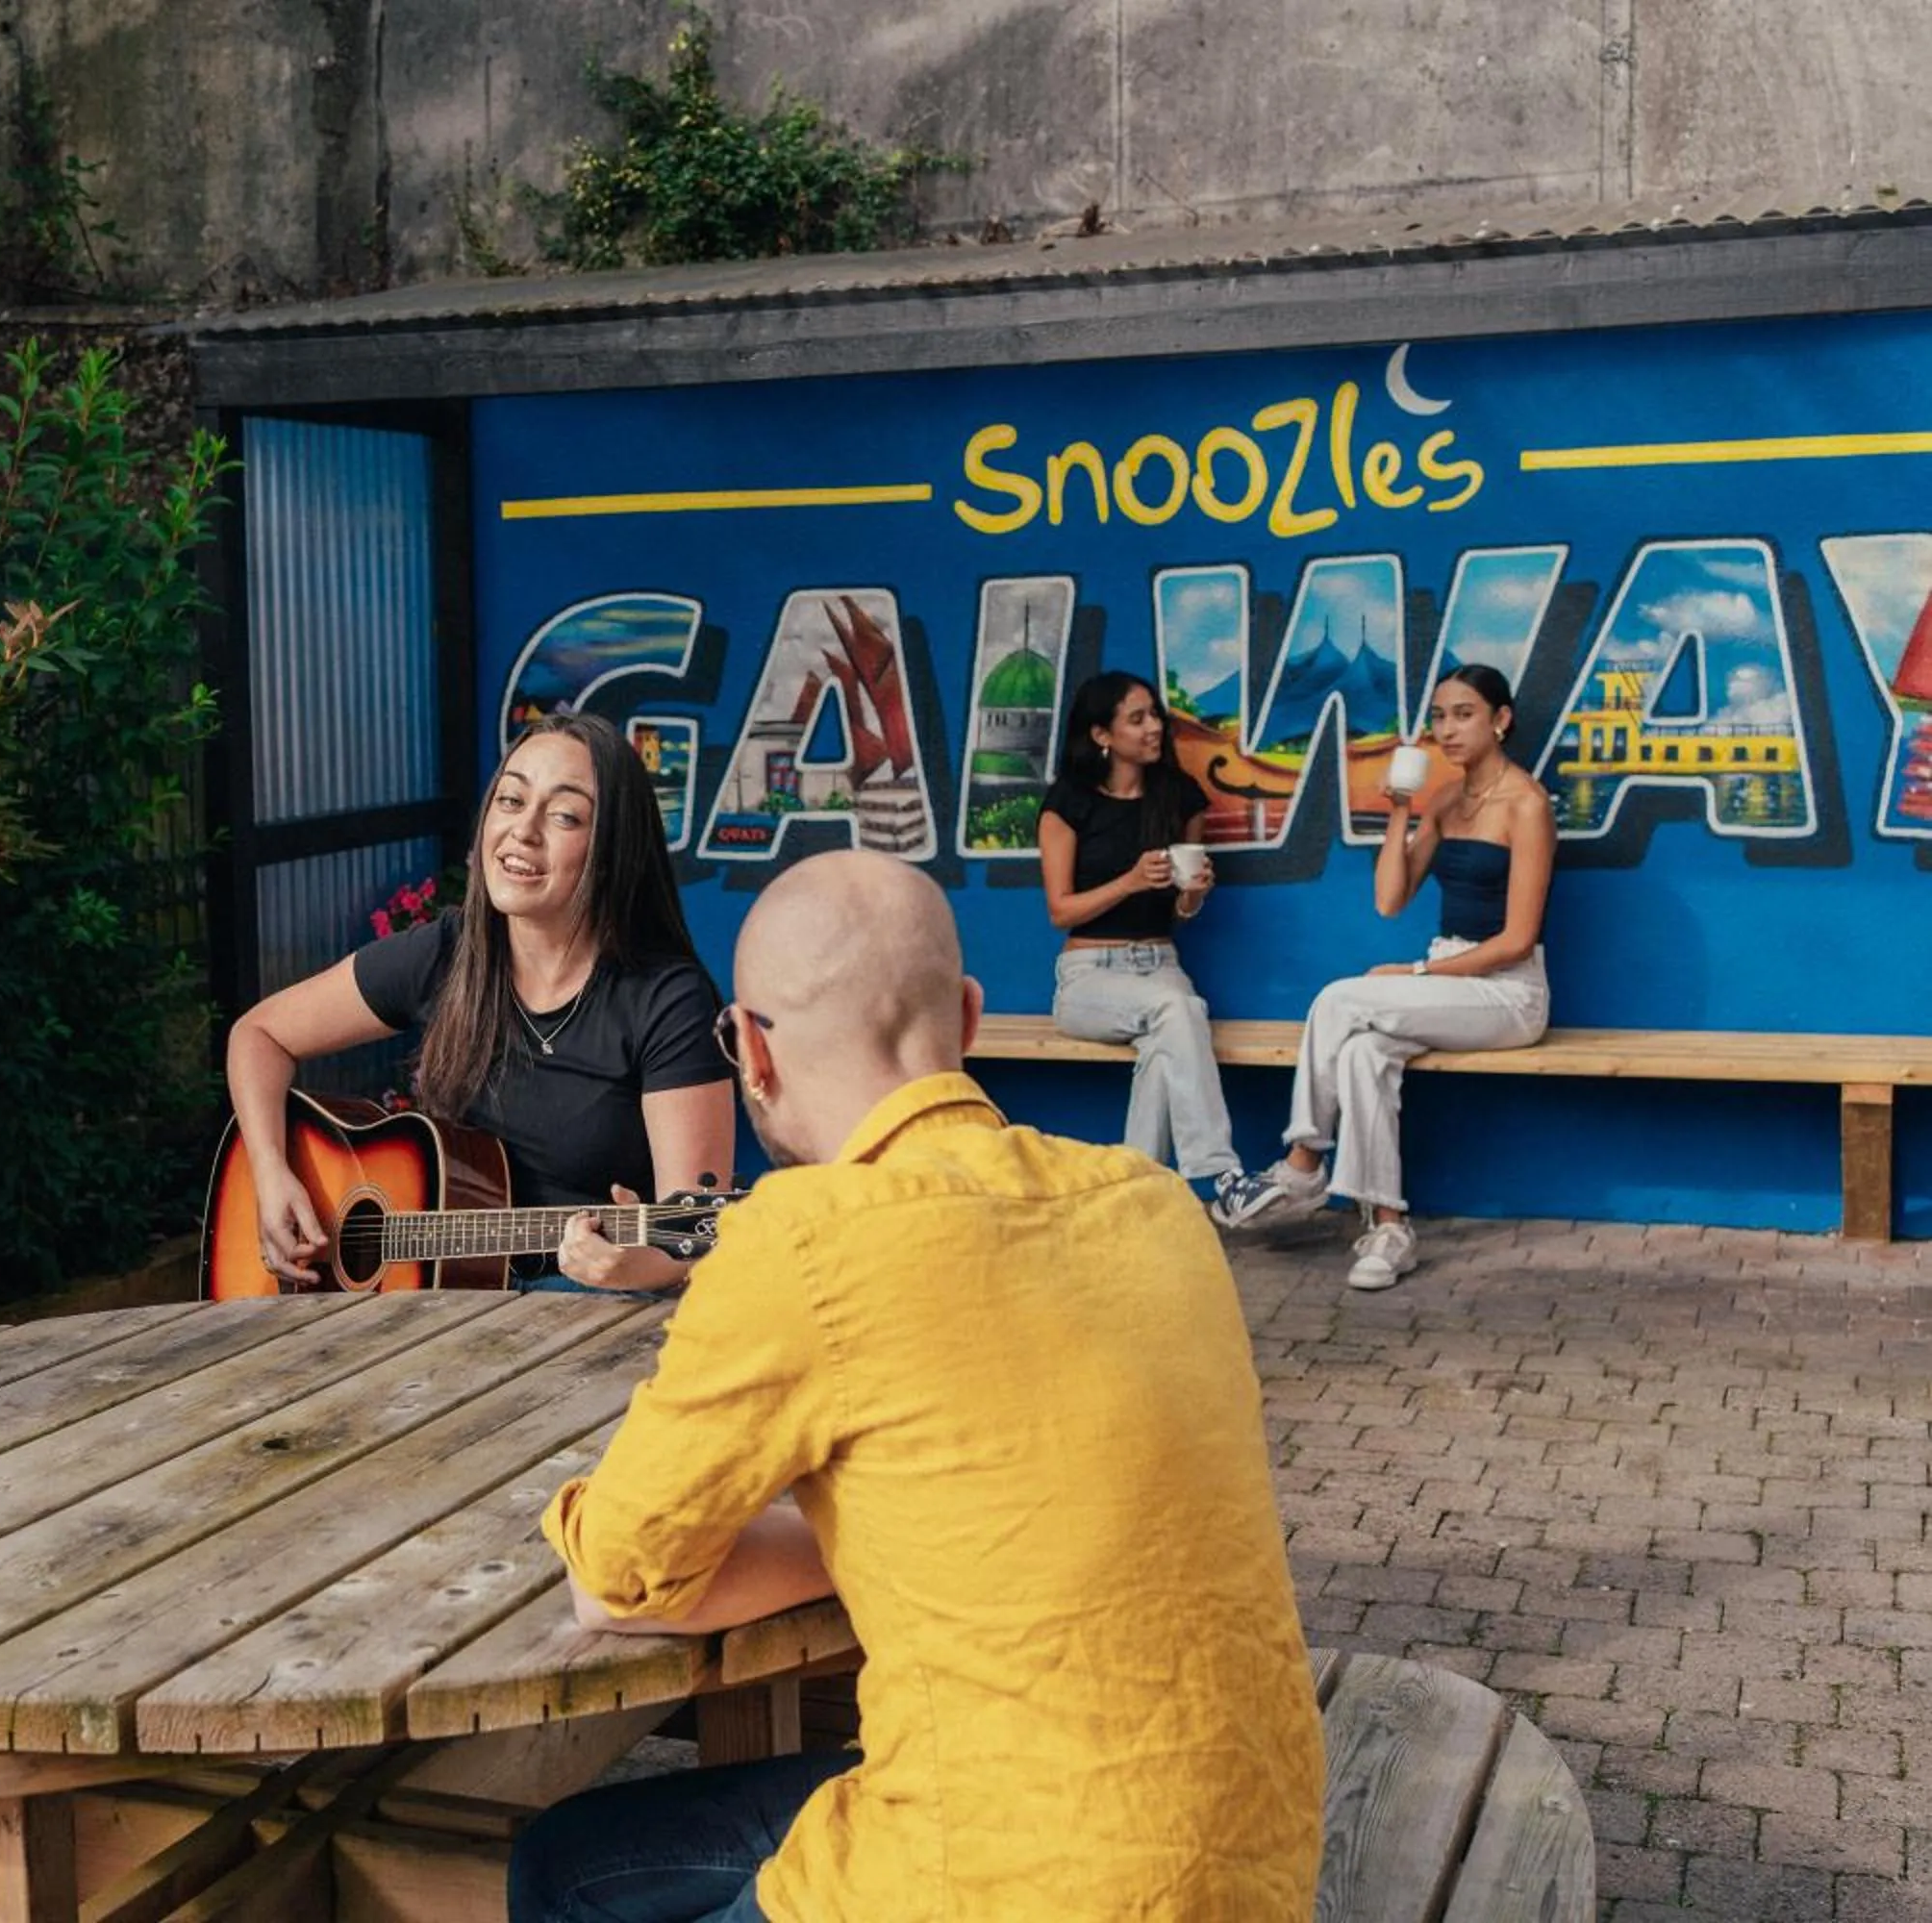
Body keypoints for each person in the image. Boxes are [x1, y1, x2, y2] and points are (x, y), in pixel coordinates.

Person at [509, 851, 1323, 1923]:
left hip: (998, 1877)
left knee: (556, 1871)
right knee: (584, 1854)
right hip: (1253, 1855)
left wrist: (851, 1543)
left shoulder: (798, 1238)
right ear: (971, 1018)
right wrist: (925, 1538)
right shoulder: (1156, 1204)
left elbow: (617, 1581)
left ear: (750, 1049)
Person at [225, 710, 735, 1292]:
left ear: (614, 849)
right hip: (443, 1299)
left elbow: (696, 1232)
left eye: (565, 815)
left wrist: (635, 1265)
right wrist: (272, 1174)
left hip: (587, 1312)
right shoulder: (447, 953)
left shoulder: (668, 1001)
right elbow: (258, 1035)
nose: (523, 830)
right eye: (511, 801)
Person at [1213, 664, 1557, 1288]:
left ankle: (1302, 1161)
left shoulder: (1526, 805)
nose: (1447, 729)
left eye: (1464, 714)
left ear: (1501, 720)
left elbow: (1517, 938)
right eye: (1439, 716)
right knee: (1363, 1054)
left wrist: (1419, 969)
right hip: (1447, 984)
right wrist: (1400, 808)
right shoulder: (1448, 800)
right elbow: (1390, 899)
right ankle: (1390, 1229)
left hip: (1507, 992)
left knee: (1340, 999)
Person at [1036, 669, 1258, 1215]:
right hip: (1089, 974)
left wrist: (1193, 895)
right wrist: (1130, 881)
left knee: (1169, 1034)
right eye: (1137, 718)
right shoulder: (1068, 802)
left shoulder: (1179, 798)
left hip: (1161, 962)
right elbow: (1060, 909)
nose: (1154, 727)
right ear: (1102, 736)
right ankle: (1223, 1176)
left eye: (1154, 714)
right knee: (1179, 1011)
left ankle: (1132, 1202)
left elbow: (1181, 913)